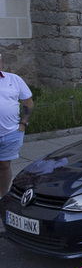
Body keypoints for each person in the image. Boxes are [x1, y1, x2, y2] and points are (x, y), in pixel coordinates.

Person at [0, 54, 33, 194]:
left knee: (4, 166)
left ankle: (2, 195)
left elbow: (27, 101)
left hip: (11, 133)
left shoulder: (13, 79)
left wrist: (23, 123)